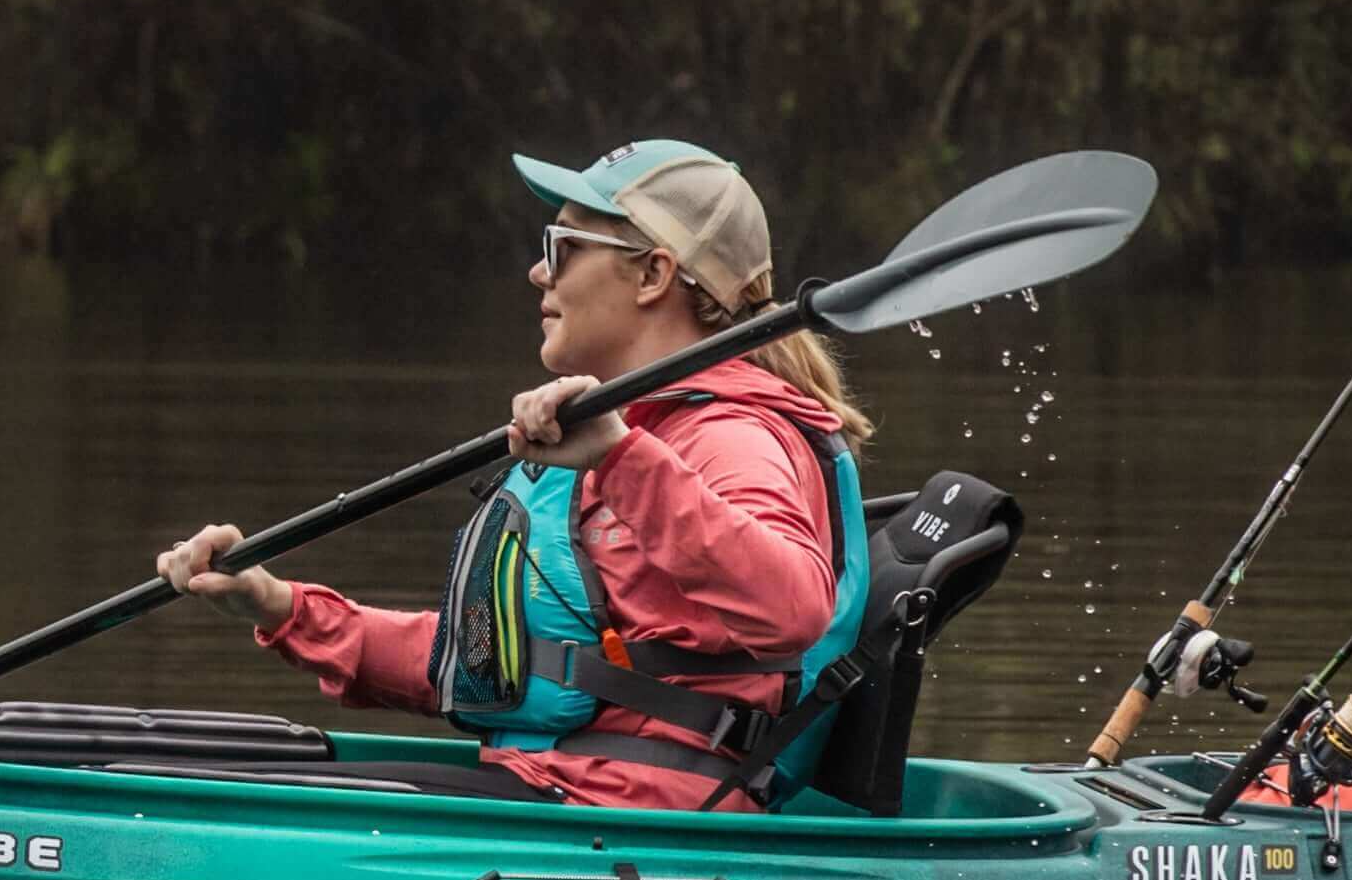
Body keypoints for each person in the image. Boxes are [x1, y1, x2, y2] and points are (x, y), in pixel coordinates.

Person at [156, 140, 877, 814]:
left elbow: (794, 606)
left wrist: (620, 459)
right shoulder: (634, 433)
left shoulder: (731, 436)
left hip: (625, 815)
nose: (539, 272)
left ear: (654, 275)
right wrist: (281, 610)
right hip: (548, 786)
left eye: (561, 247)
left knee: (196, 802)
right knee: (170, 776)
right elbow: (491, 657)